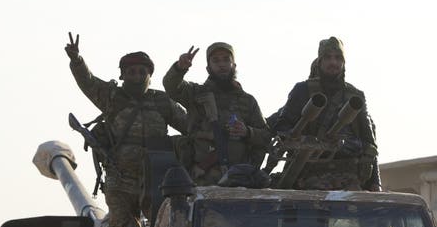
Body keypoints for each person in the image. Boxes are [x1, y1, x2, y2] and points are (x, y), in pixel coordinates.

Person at [65, 33, 188, 227]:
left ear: (150, 75)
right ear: (122, 75)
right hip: (120, 181)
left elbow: (190, 127)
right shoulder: (111, 97)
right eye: (131, 71)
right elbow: (87, 82)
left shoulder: (161, 102)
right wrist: (77, 60)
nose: (136, 76)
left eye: (142, 71)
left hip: (155, 181)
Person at [270, 37, 380, 191]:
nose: (333, 62)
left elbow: (369, 144)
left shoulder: (355, 96)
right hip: (305, 174)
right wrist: (304, 141)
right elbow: (282, 127)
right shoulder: (302, 90)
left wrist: (375, 182)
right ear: (320, 61)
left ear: (343, 62)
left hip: (346, 177)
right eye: (327, 57)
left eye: (338, 58)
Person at [162, 42, 271, 184]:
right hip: (201, 177)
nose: (222, 64)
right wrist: (179, 68)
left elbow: (266, 136)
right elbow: (171, 87)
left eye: (226, 59)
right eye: (216, 60)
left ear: (234, 65)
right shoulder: (196, 94)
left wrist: (247, 132)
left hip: (239, 180)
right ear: (208, 68)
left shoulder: (247, 101)